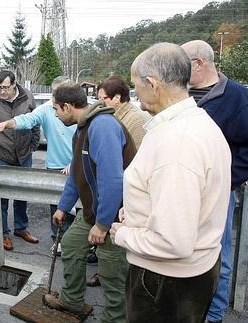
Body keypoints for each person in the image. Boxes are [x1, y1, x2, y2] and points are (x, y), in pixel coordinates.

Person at [110, 42, 231, 322]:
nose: (134, 92)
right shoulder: (198, 123)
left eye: (135, 84)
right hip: (194, 272)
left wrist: (122, 234)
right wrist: (139, 211)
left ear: (152, 84)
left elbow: (173, 242)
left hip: (165, 283)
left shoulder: (177, 143)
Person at [45, 82, 136, 323]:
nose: (55, 114)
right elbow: (78, 172)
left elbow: (113, 180)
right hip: (95, 212)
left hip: (118, 215)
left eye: (56, 109)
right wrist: (64, 206)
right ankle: (72, 300)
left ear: (67, 106)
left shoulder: (102, 126)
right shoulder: (82, 128)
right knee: (72, 245)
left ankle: (115, 319)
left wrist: (103, 224)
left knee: (111, 271)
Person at [181, 39, 248, 323]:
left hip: (217, 195)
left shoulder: (237, 97)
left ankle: (214, 315)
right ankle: (185, 310)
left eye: (182, 64)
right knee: (183, 252)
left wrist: (224, 180)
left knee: (217, 254)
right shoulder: (181, 94)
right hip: (181, 191)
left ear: (199, 63)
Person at [0, 75, 76, 252]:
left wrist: (76, 161)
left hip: (78, 165)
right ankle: (59, 241)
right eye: (54, 93)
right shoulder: (47, 109)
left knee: (79, 207)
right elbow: (28, 119)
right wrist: (9, 123)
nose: (55, 98)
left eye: (60, 93)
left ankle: (78, 244)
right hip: (56, 166)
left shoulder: (80, 110)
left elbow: (88, 140)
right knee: (58, 207)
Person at [87, 75, 150, 287]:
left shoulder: (135, 119)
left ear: (117, 97)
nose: (99, 103)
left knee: (117, 239)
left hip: (129, 188)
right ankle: (106, 269)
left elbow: (138, 158)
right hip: (120, 184)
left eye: (102, 98)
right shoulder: (112, 116)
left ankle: (113, 276)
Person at [0, 70, 41, 251]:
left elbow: (35, 123)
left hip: (24, 155)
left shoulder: (27, 97)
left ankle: (21, 228)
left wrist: (32, 147)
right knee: (2, 197)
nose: (2, 91)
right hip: (2, 155)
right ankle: (3, 232)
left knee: (22, 194)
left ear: (15, 84)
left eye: (5, 87)